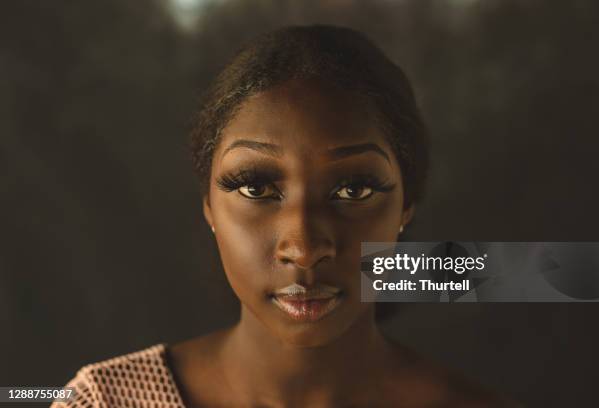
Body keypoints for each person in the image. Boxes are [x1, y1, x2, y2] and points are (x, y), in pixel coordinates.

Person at [52, 25, 516, 407]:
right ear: (209, 207)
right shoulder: (101, 402)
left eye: (353, 189)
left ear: (406, 206)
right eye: (255, 187)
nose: (304, 247)